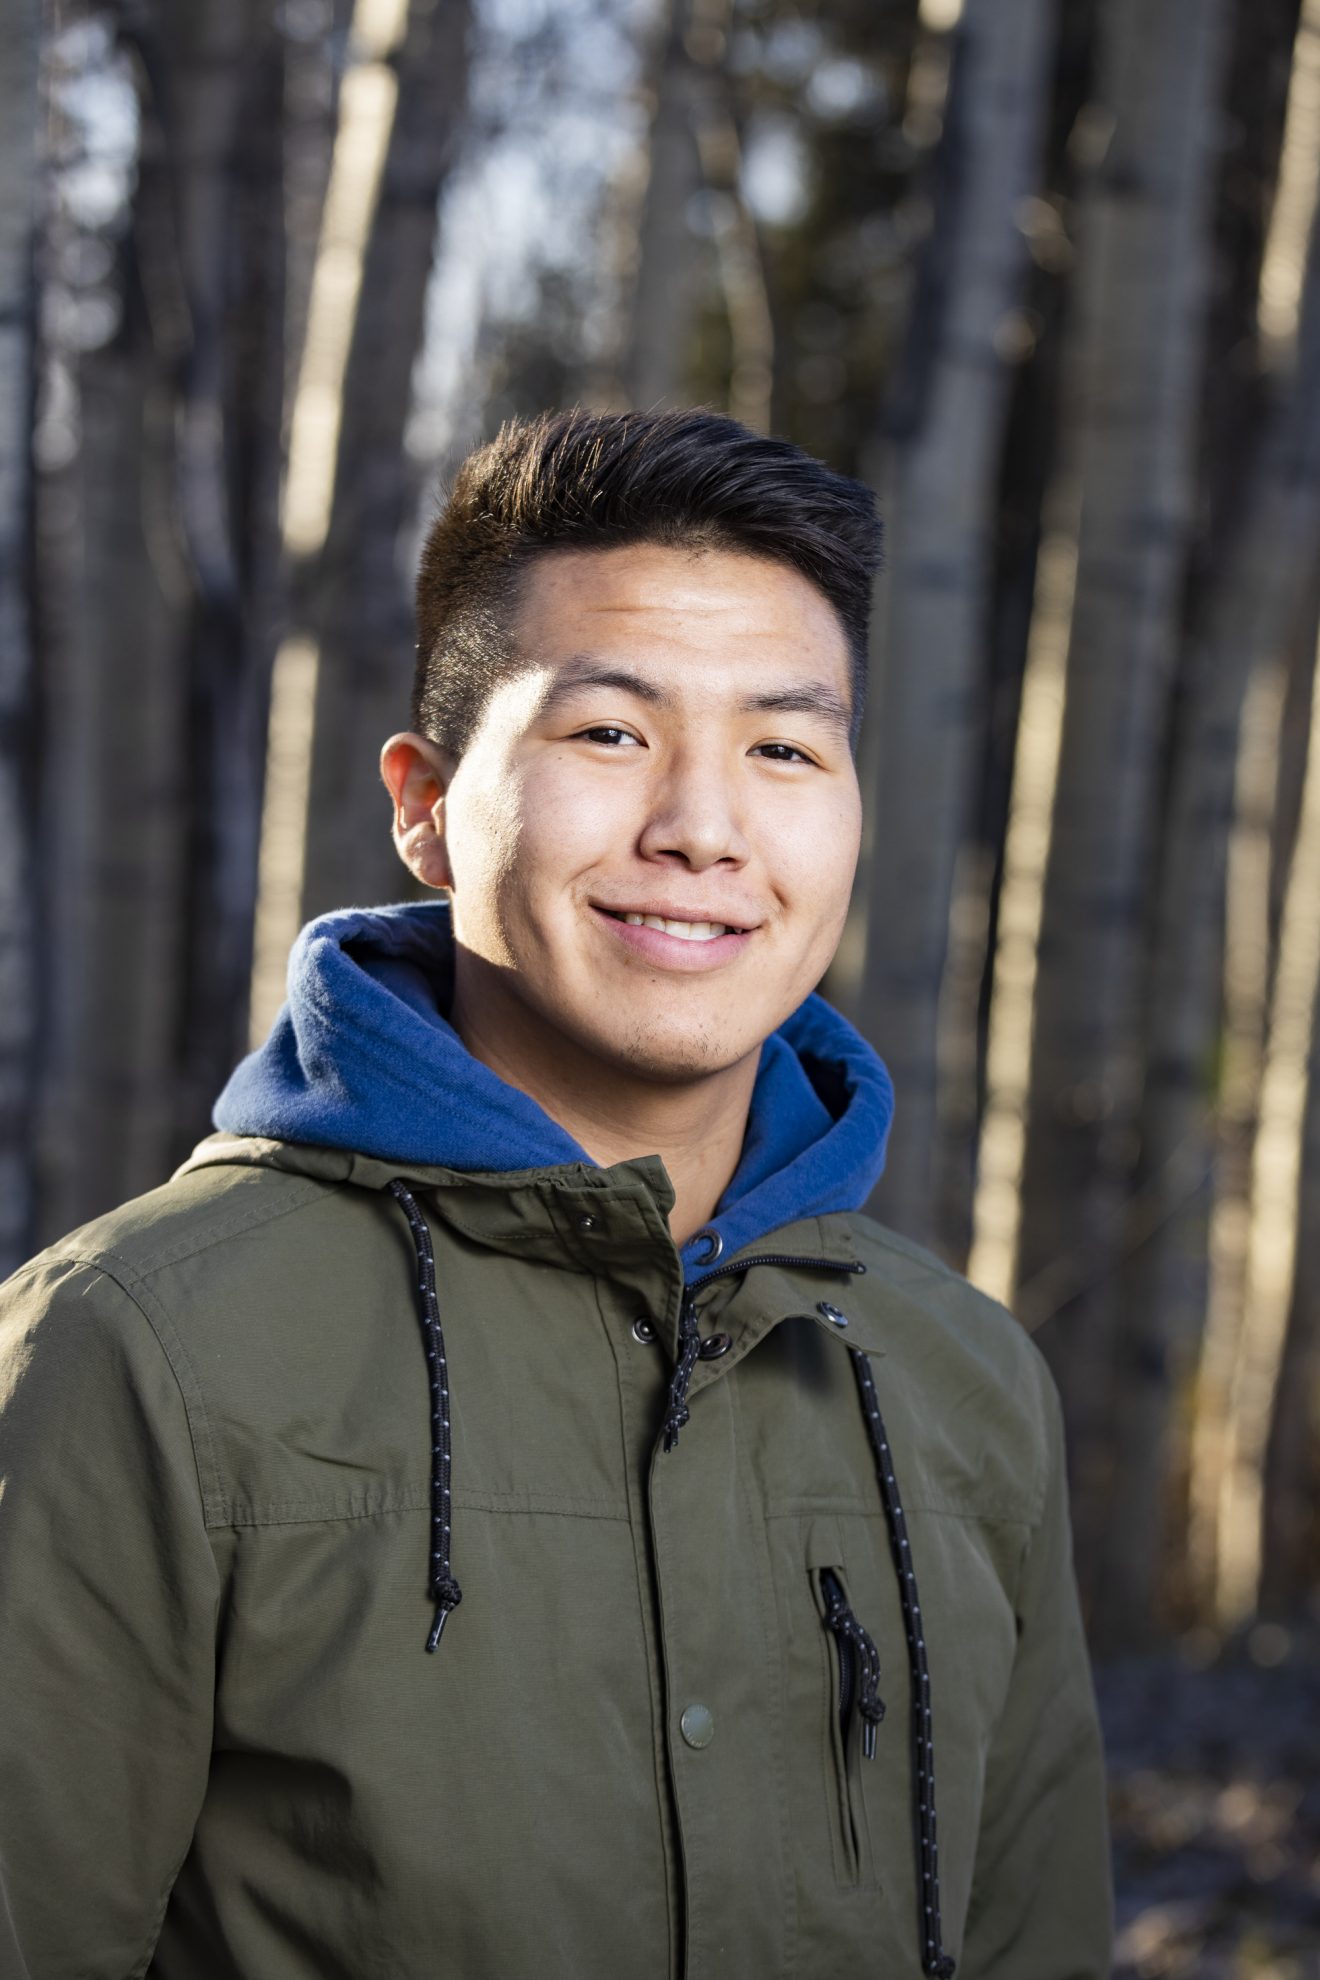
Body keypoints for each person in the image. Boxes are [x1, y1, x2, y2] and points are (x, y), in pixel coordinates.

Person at [0, 408, 1113, 1978]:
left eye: (784, 748)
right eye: (610, 733)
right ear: (424, 803)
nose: (704, 829)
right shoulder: (136, 1353)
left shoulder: (965, 1382)